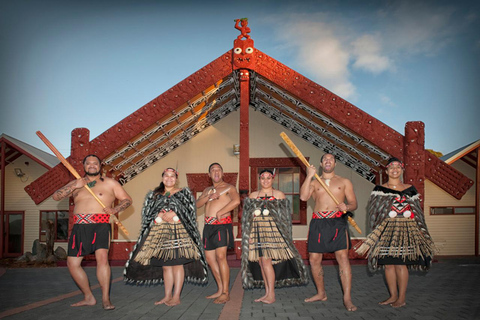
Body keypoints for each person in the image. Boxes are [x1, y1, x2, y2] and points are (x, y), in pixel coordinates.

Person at [53, 154, 132, 310]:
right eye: (88, 163)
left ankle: (106, 299)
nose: (91, 165)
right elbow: (56, 196)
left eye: (95, 163)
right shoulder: (76, 183)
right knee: (72, 263)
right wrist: (75, 186)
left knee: (102, 260)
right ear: (84, 166)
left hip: (101, 225)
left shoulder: (110, 183)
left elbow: (127, 200)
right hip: (80, 226)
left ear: (100, 165)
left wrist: (115, 209)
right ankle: (88, 297)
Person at [355, 157, 436, 308]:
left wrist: (418, 228)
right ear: (386, 171)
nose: (395, 170)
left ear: (402, 170)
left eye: (398, 167)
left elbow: (417, 212)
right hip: (386, 230)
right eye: (391, 168)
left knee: (401, 264)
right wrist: (376, 233)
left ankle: (402, 298)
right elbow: (374, 213)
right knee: (388, 265)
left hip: (406, 230)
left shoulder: (410, 188)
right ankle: (392, 296)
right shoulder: (379, 190)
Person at [124, 168, 207, 306]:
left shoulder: (183, 193)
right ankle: (167, 295)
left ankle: (176, 296)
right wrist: (159, 215)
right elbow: (147, 214)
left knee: (177, 264)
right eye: (167, 176)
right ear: (162, 178)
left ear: (176, 178)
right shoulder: (154, 195)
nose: (169, 178)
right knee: (166, 266)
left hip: (178, 232)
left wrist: (175, 214)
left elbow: (190, 211)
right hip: (159, 232)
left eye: (172, 176)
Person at [300, 153, 357, 311]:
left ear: (335, 164)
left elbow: (353, 203)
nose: (328, 161)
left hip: (337, 222)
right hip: (318, 222)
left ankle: (347, 298)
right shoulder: (314, 182)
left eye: (331, 159)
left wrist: (347, 207)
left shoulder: (344, 182)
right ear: (320, 163)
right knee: (314, 259)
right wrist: (309, 176)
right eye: (325, 159)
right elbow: (304, 197)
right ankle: (321, 293)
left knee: (343, 258)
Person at [241, 169, 308, 304]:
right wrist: (249, 234)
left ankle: (271, 294)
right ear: (259, 180)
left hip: (273, 232)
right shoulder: (253, 195)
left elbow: (285, 219)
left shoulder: (279, 195)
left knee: (266, 261)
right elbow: (247, 218)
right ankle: (267, 293)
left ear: (273, 179)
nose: (265, 181)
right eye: (263, 178)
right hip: (256, 231)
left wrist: (285, 235)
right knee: (261, 262)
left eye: (268, 178)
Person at [196, 163, 240, 304]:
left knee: (221, 257)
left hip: (222, 225)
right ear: (209, 175)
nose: (216, 172)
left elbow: (237, 201)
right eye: (213, 170)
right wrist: (209, 197)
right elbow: (197, 204)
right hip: (208, 227)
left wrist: (221, 211)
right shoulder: (207, 190)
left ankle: (226, 292)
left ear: (222, 173)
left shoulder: (229, 188)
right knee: (209, 258)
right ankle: (220, 289)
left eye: (218, 169)